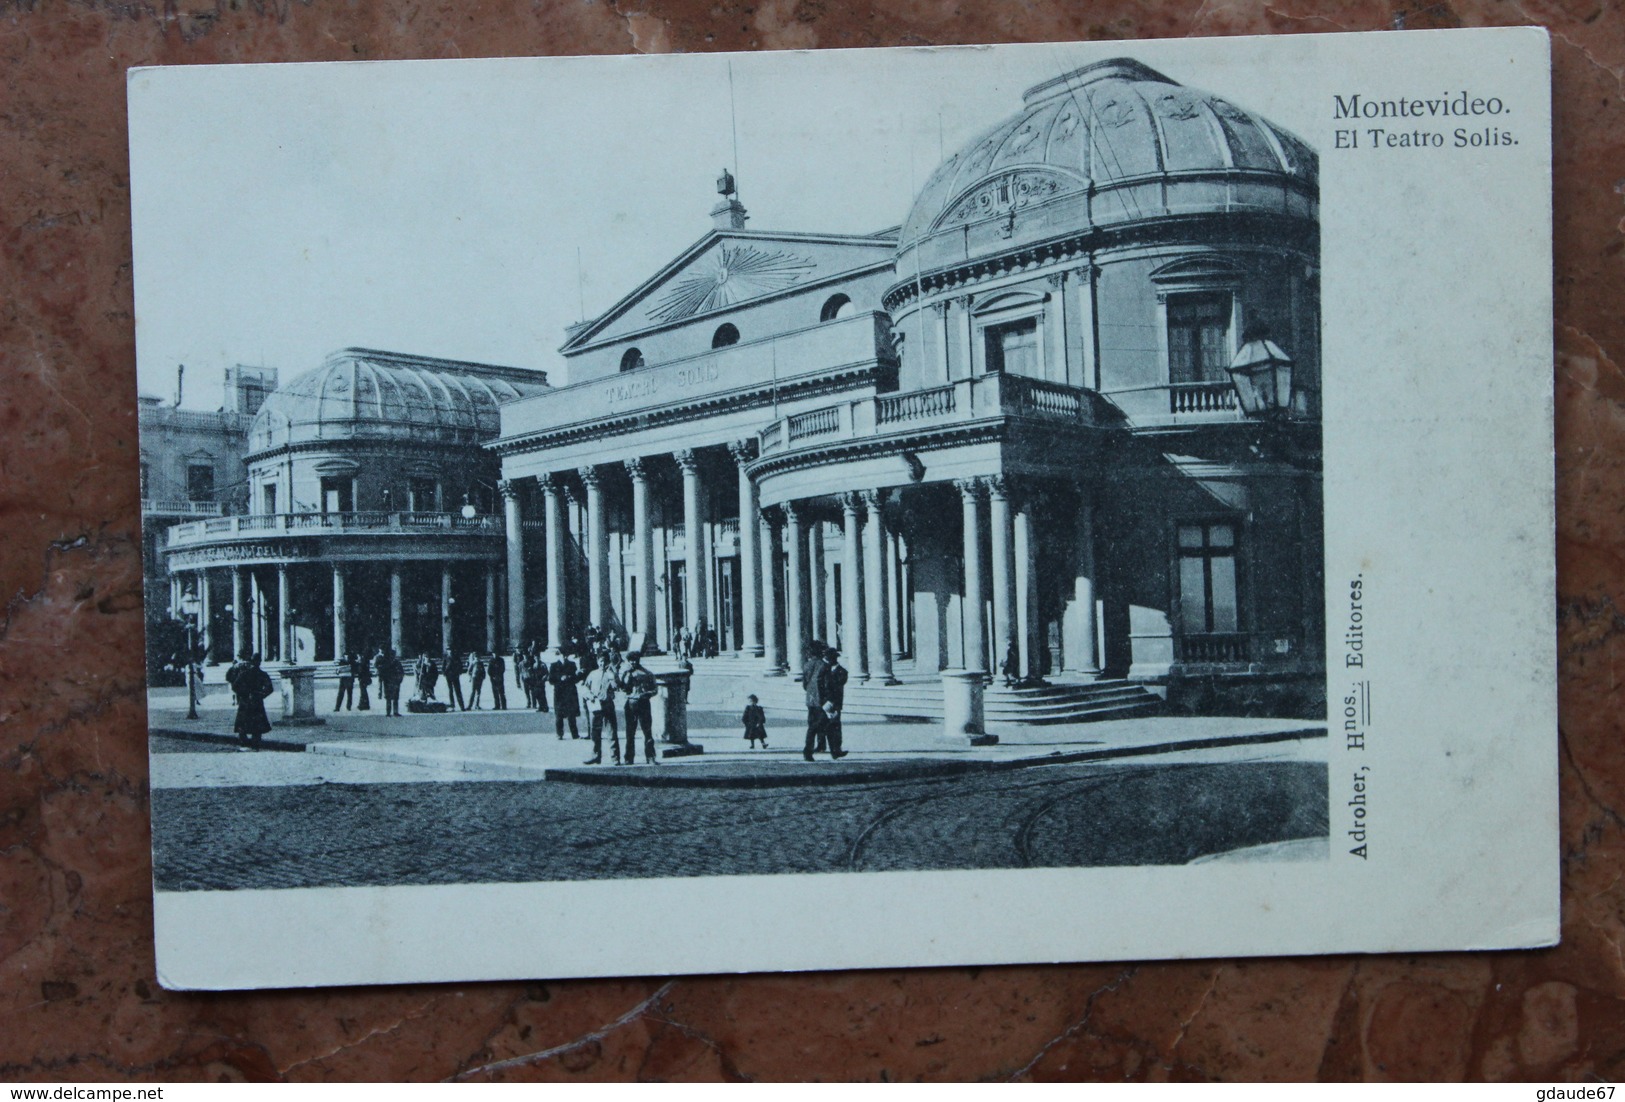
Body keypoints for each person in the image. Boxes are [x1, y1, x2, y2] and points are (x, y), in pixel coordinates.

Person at [618, 652, 659, 765]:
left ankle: (650, 757)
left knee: (647, 731)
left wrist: (647, 694)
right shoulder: (626, 673)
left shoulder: (647, 673)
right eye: (631, 660)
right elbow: (622, 687)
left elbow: (655, 689)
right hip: (631, 703)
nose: (633, 662)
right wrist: (625, 676)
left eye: (635, 660)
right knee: (630, 732)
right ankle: (629, 758)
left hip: (644, 703)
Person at [231, 653, 275, 747]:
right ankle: (254, 743)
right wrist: (261, 695)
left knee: (244, 723)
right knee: (256, 724)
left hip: (247, 701)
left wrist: (245, 694)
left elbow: (235, 686)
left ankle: (246, 742)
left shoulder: (245, 674)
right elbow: (270, 688)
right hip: (255, 701)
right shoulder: (262, 674)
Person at [581, 657, 619, 764]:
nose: (602, 663)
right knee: (595, 732)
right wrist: (589, 696)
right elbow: (585, 688)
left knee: (611, 731)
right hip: (595, 705)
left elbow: (617, 687)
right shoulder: (593, 674)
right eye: (601, 661)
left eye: (604, 661)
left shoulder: (611, 674)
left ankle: (615, 758)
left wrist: (612, 677)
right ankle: (595, 756)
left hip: (608, 705)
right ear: (598, 661)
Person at [802, 641, 829, 762]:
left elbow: (805, 684)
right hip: (821, 700)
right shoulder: (824, 665)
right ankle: (808, 751)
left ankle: (820, 745)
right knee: (817, 725)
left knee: (812, 724)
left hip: (810, 699)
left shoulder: (807, 665)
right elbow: (827, 684)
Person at [822, 648, 849, 759]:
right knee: (828, 727)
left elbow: (837, 688)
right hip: (824, 703)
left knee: (836, 727)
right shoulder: (825, 670)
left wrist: (831, 701)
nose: (827, 660)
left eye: (828, 658)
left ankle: (836, 749)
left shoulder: (842, 671)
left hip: (835, 703)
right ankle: (831, 749)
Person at [549, 651, 581, 740]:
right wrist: (560, 678)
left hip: (570, 692)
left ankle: (575, 734)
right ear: (558, 656)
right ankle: (559, 734)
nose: (564, 657)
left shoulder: (572, 664)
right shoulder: (553, 665)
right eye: (562, 655)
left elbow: (576, 679)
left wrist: (571, 677)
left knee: (572, 715)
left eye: (565, 655)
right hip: (559, 693)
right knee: (559, 714)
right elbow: (551, 680)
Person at [378, 648, 405, 717]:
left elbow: (401, 672)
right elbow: (382, 673)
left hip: (395, 682)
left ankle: (395, 712)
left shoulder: (397, 663)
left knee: (395, 697)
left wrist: (399, 680)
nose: (392, 656)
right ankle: (388, 712)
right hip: (388, 683)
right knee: (388, 698)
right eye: (392, 655)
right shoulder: (386, 663)